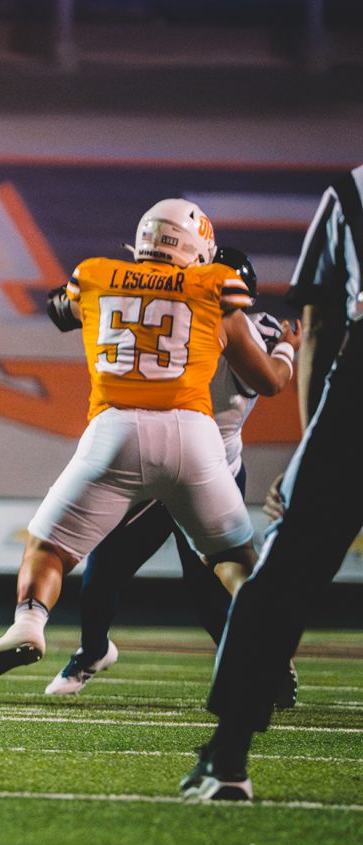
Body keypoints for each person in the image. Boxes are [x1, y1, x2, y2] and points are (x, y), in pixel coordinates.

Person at [0, 198, 291, 686]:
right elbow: (269, 381)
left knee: (50, 549)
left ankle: (29, 623)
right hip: (195, 439)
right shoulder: (215, 287)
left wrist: (82, 300)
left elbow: (59, 309)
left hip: (115, 434)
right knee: (230, 559)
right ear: (198, 247)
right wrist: (286, 347)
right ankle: (262, 634)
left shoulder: (95, 275)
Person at [39, 249, 300, 704]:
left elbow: (262, 376)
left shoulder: (218, 319)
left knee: (207, 594)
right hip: (179, 456)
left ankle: (263, 658)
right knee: (108, 571)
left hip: (202, 467)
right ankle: (94, 650)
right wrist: (286, 348)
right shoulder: (228, 318)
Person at [182, 165, 363, 801]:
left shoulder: (353, 189)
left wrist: (315, 443)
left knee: (282, 574)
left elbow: (317, 325)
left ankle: (228, 755)